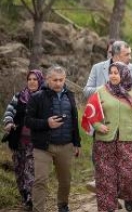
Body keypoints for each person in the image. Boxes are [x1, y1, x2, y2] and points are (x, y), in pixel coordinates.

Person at [25, 66, 81, 212]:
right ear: (48, 79)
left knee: (65, 181)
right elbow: (28, 121)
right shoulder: (37, 97)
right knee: (40, 180)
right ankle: (38, 209)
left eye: (61, 80)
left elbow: (74, 120)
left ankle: (63, 206)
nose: (58, 83)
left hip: (66, 145)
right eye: (55, 80)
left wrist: (77, 143)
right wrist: (46, 123)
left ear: (65, 79)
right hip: (43, 147)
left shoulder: (70, 95)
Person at [91, 62, 132, 212]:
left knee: (127, 175)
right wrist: (97, 125)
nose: (113, 75)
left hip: (129, 139)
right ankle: (107, 207)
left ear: (124, 74)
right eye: (111, 72)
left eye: (117, 72)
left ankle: (127, 196)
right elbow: (91, 112)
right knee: (105, 177)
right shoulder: (101, 91)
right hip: (104, 139)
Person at [2, 70, 44, 210]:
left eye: (35, 79)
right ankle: (25, 194)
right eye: (29, 79)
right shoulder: (19, 96)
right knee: (19, 170)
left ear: (40, 81)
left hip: (35, 142)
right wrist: (8, 122)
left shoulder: (44, 97)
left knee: (30, 169)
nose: (32, 81)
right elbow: (9, 111)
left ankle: (31, 198)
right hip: (18, 140)